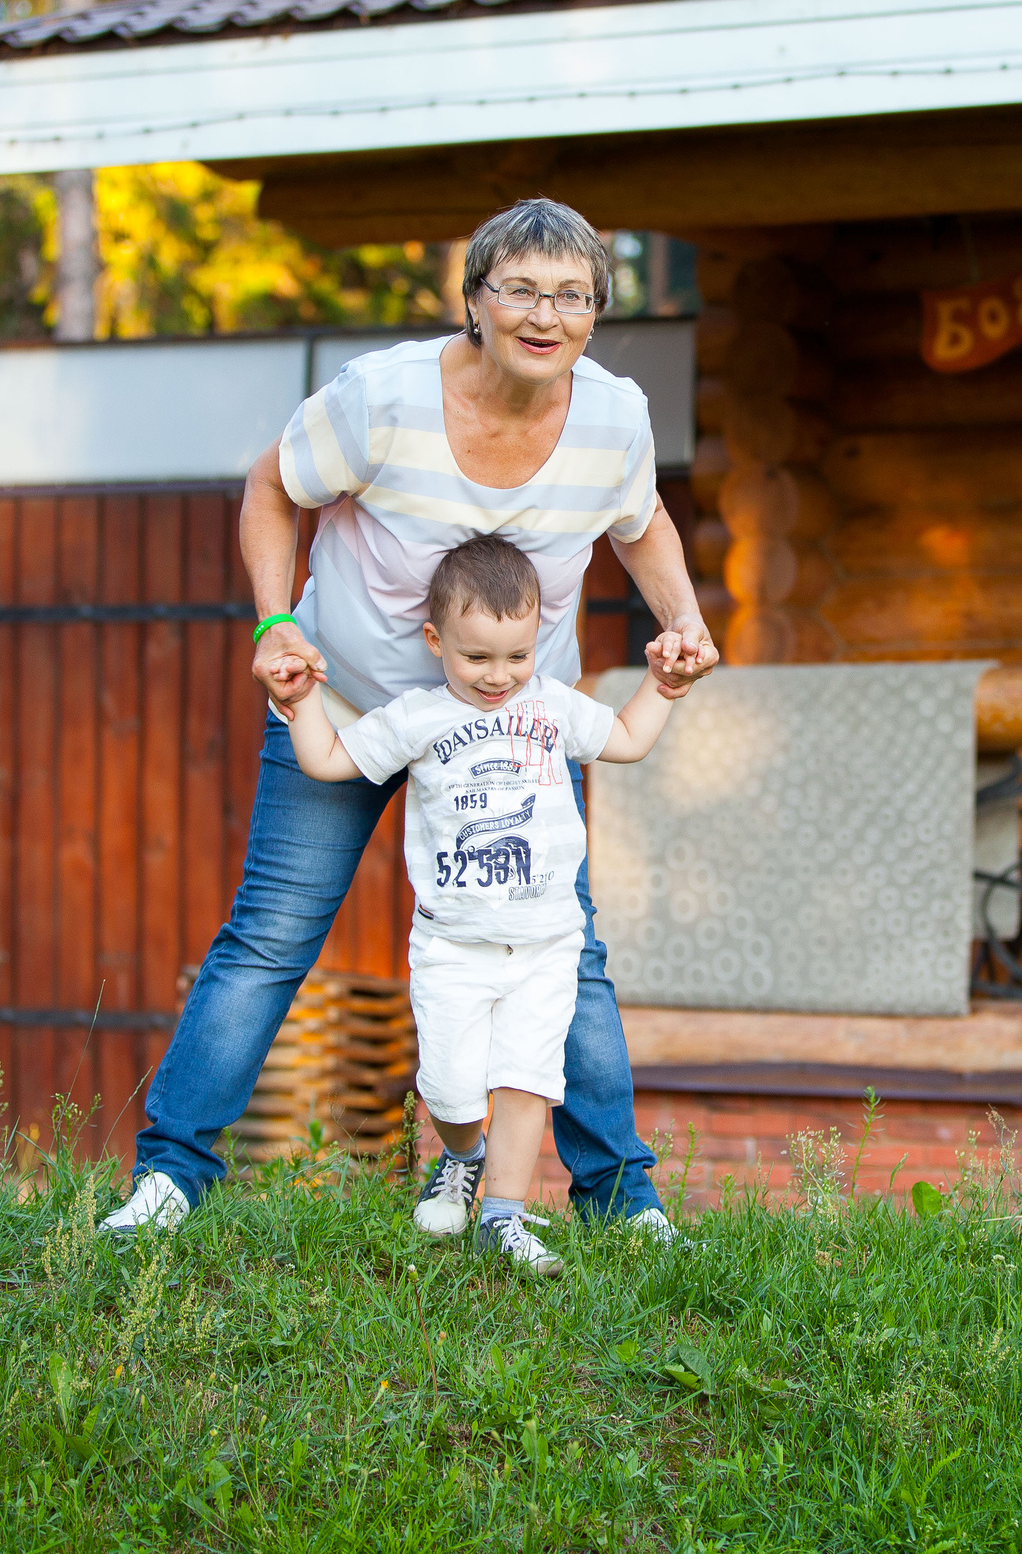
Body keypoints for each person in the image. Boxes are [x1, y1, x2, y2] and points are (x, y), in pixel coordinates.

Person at [100, 197, 718, 1239]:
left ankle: (622, 1199)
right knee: (271, 936)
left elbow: (641, 516)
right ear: (473, 300)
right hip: (347, 707)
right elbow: (269, 488)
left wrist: (685, 619)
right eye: (519, 288)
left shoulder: (612, 417)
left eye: (571, 296)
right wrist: (275, 623)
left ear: (595, 315)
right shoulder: (382, 400)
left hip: (511, 728)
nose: (544, 314)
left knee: (567, 951)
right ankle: (168, 1177)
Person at [279, 533, 685, 1273]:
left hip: (545, 940)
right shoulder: (417, 717)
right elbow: (329, 760)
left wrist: (663, 686)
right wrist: (301, 700)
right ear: (436, 641)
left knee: (530, 1075)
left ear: (539, 641)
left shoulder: (553, 705)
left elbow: (624, 739)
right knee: (450, 1087)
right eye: (476, 658)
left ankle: (505, 1214)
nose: (499, 676)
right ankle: (461, 1159)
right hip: (453, 946)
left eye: (516, 656)